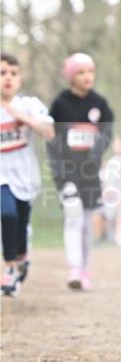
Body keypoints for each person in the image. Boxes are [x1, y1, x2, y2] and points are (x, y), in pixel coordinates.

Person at [47, 52, 114, 291]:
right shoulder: (60, 104)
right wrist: (59, 173)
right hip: (67, 172)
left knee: (86, 222)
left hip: (90, 174)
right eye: (81, 72)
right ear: (71, 77)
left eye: (91, 72)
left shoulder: (100, 103)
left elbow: (107, 134)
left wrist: (96, 154)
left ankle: (84, 269)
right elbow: (51, 139)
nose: (87, 77)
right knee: (73, 219)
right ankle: (73, 268)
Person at [1, 53, 54, 296]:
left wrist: (19, 115)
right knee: (7, 213)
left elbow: (48, 132)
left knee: (21, 224)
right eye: (2, 73)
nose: (7, 78)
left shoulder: (29, 105)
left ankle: (20, 260)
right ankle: (10, 266)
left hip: (25, 176)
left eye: (13, 73)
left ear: (20, 79)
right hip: (2, 176)